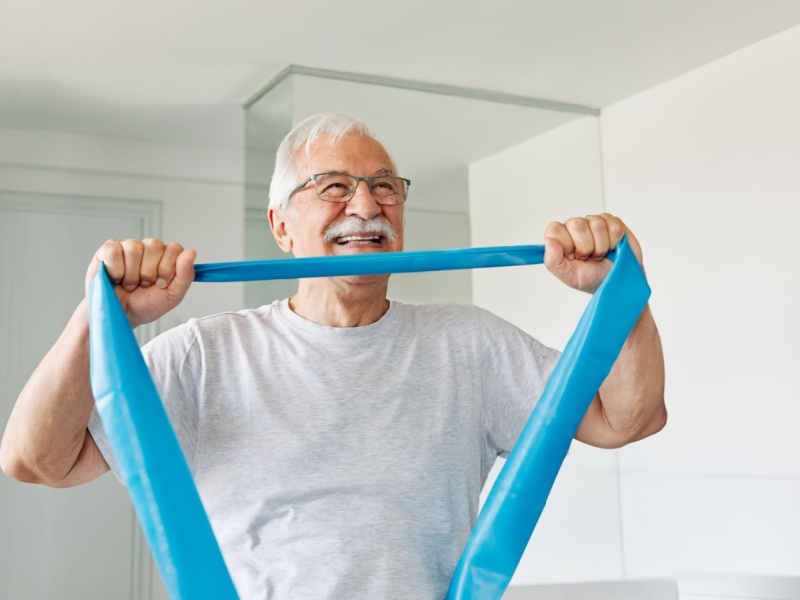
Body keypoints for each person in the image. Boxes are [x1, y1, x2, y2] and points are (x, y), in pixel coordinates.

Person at [0, 113, 666, 599]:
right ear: (281, 225)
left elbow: (627, 418)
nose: (367, 205)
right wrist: (99, 315)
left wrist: (620, 294)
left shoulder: (472, 344)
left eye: (385, 187)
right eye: (334, 187)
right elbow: (35, 461)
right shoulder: (204, 355)